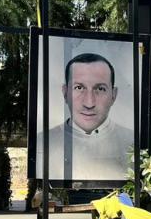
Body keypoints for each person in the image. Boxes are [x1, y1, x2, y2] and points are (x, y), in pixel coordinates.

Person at [41, 52, 133, 181]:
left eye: (100, 89)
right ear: (65, 93)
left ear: (114, 95)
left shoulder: (134, 141)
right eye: (79, 87)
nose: (89, 103)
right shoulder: (42, 141)